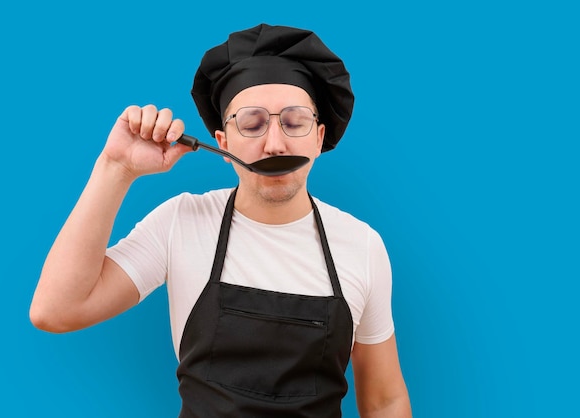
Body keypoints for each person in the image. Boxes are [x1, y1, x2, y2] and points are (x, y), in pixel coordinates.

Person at [30, 23, 412, 417]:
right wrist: (116, 168)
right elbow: (56, 310)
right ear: (224, 143)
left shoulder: (361, 246)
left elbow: (385, 400)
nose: (275, 143)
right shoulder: (182, 221)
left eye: (294, 123)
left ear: (318, 138)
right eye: (252, 123)